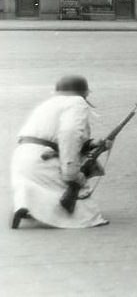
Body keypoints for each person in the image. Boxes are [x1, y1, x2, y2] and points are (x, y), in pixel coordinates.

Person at [11, 75, 109, 229]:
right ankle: (49, 212)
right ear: (83, 92)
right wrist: (71, 174)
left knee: (33, 186)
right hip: (42, 161)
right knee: (85, 210)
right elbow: (69, 134)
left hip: (23, 158)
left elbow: (53, 137)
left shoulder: (48, 104)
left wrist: (92, 144)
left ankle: (26, 205)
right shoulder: (77, 103)